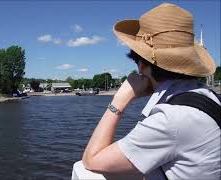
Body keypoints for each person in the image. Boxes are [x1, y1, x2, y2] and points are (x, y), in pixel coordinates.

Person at [82, 3, 220, 180]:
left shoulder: (170, 120)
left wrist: (119, 99)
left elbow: (92, 160)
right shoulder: (207, 96)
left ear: (142, 65)